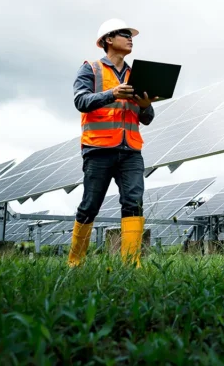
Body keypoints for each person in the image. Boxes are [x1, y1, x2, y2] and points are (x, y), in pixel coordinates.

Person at [67, 18, 156, 268]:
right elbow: (81, 102)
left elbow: (147, 118)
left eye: (131, 36)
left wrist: (145, 106)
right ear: (108, 39)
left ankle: (131, 263)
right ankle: (75, 262)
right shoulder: (91, 70)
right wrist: (112, 93)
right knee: (90, 205)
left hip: (131, 151)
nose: (130, 39)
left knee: (133, 201)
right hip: (99, 149)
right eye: (125, 34)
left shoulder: (136, 75)